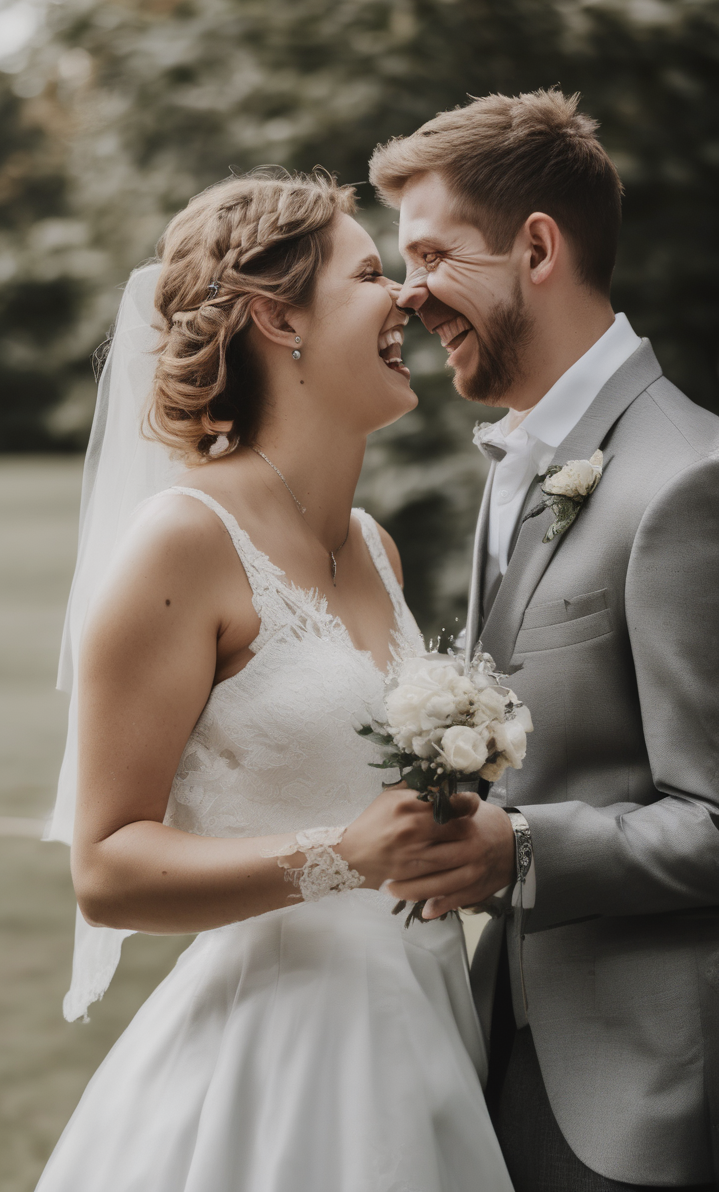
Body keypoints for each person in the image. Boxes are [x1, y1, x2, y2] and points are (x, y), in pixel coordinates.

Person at [37, 171, 515, 1192]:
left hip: (421, 1022)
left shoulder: (375, 545)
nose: (407, 300)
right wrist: (341, 853)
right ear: (276, 315)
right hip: (282, 1063)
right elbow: (107, 866)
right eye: (372, 273)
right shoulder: (184, 541)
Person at [368, 88, 719, 1191]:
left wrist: (517, 850)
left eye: (431, 255)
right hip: (510, 1043)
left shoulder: (688, 481)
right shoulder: (523, 457)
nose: (407, 291)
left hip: (648, 1094)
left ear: (535, 247)